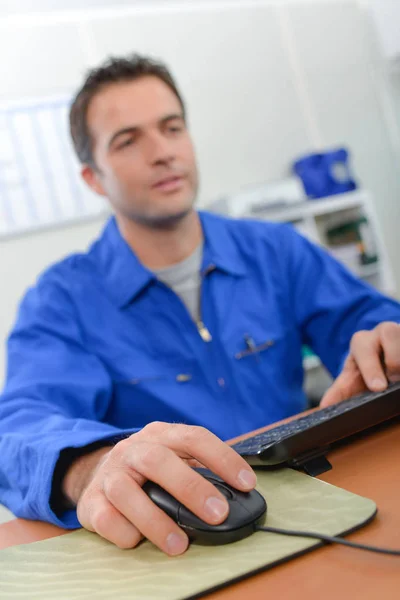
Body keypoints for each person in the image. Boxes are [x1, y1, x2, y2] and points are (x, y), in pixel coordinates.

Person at [1, 54, 400, 557]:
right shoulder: (61, 299)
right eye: (128, 140)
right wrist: (93, 468)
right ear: (93, 179)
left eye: (171, 128)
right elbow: (19, 428)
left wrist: (386, 337)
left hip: (315, 507)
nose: (162, 152)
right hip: (180, 547)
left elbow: (370, 321)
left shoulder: (275, 250)